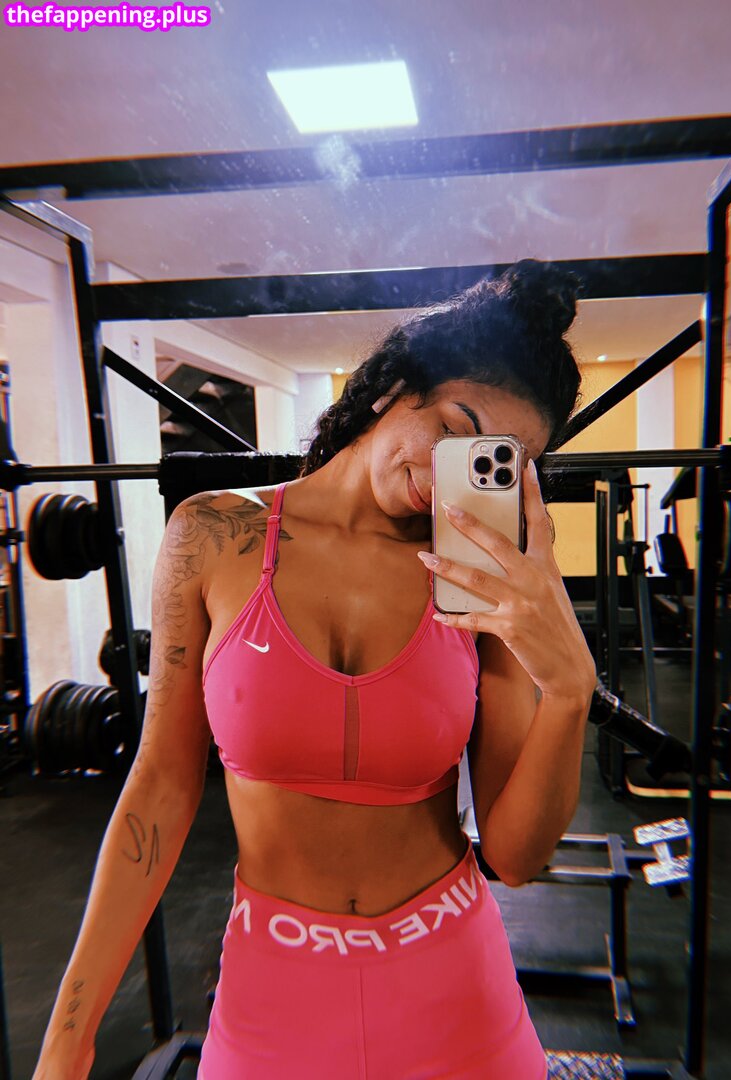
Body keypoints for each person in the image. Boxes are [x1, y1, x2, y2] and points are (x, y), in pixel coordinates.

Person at [34, 258, 597, 1079]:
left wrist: (569, 691)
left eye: (496, 458)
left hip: (455, 989)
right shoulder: (214, 536)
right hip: (273, 993)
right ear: (392, 389)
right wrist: (68, 1037)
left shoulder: (480, 578)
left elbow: (515, 856)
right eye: (455, 428)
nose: (454, 470)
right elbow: (159, 787)